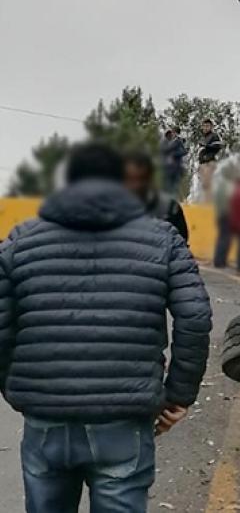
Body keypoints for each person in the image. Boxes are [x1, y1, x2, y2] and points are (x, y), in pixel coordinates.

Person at [0, 142, 212, 513]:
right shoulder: (163, 239)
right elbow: (194, 317)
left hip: (45, 419)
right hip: (124, 421)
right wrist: (178, 395)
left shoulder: (20, 241)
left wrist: (15, 387)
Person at [124, 150, 190, 244]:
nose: (136, 185)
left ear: (150, 178)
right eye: (131, 179)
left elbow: (181, 245)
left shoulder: (169, 209)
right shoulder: (113, 209)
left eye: (141, 179)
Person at [212, 163, 238, 269]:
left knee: (223, 238)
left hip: (222, 214)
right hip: (226, 215)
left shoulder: (222, 185)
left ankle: (220, 260)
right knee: (225, 239)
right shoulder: (227, 186)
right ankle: (220, 261)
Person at [196, 119, 223, 202]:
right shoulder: (203, 137)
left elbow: (218, 146)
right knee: (203, 185)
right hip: (202, 163)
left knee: (208, 184)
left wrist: (207, 146)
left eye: (207, 126)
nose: (205, 128)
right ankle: (205, 203)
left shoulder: (214, 135)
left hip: (209, 162)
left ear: (211, 127)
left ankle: (209, 205)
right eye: (204, 126)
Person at [160, 128, 186, 199]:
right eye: (172, 133)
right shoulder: (169, 142)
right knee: (168, 186)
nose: (173, 134)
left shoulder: (178, 141)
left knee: (176, 186)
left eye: (174, 132)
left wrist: (174, 154)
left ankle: (182, 201)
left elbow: (184, 151)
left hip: (177, 167)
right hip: (169, 168)